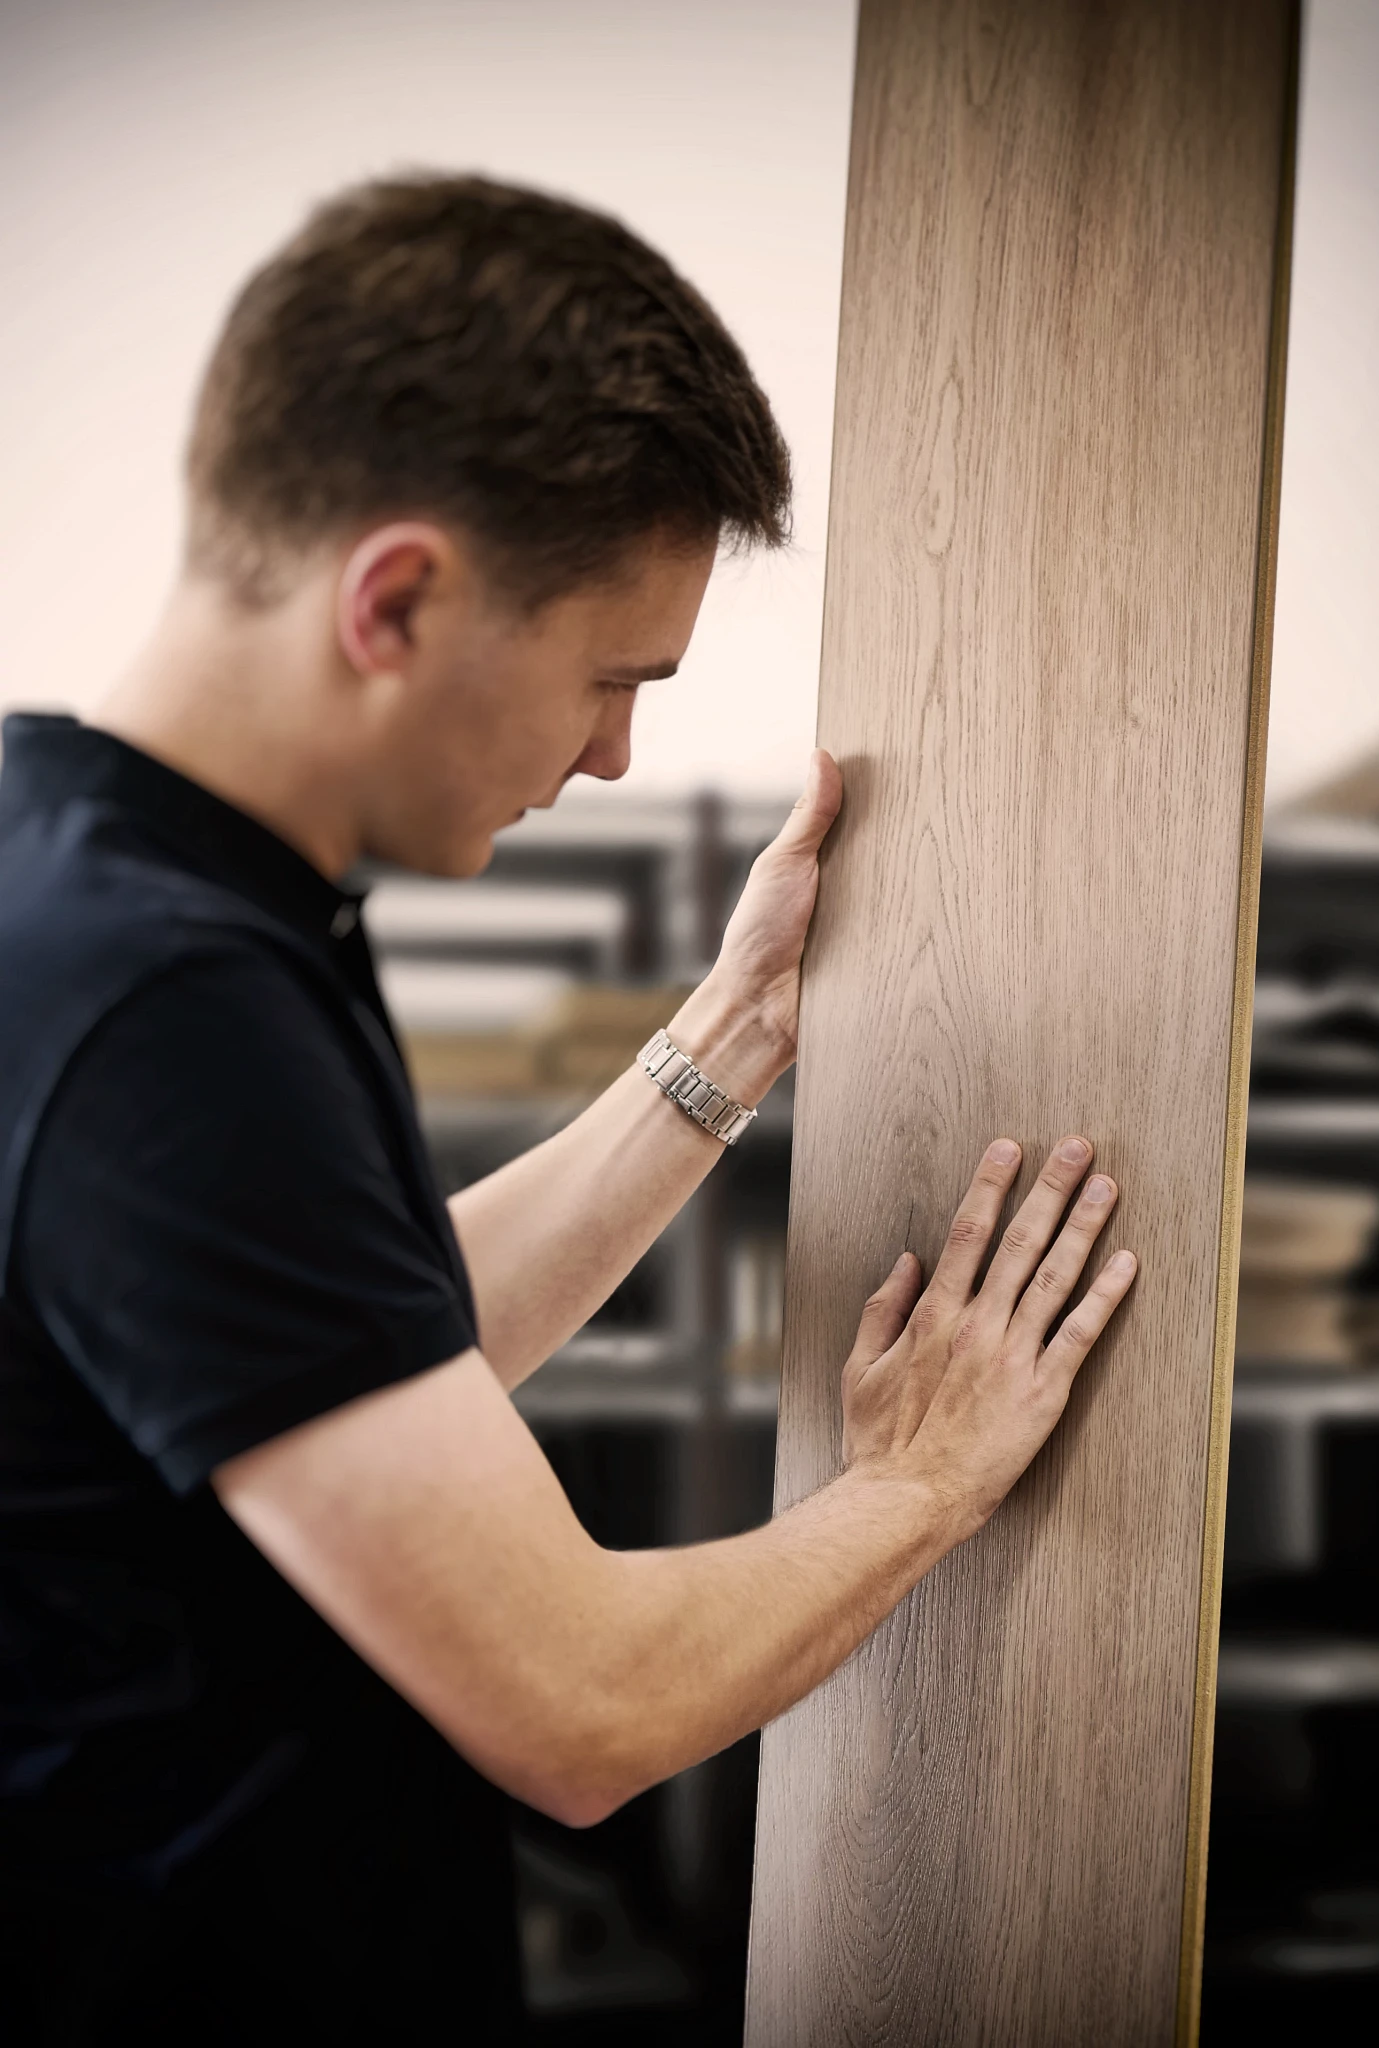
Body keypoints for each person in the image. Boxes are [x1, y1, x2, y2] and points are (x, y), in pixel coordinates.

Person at [0, 174, 1137, 2043]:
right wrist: (925, 1483)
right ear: (397, 598)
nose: (614, 751)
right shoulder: (166, 1005)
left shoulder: (116, 892)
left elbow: (358, 1347)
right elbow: (578, 1710)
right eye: (609, 677)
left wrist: (732, 1033)